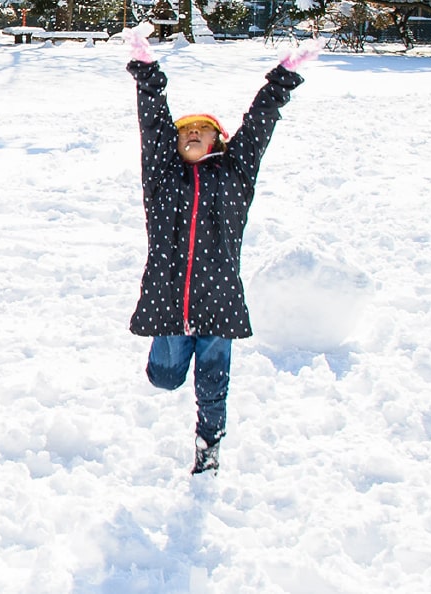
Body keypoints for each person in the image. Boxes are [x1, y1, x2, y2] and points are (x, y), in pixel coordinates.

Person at [121, 26, 319, 475]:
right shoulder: (162, 179)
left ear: (217, 141)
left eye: (201, 129)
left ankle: (208, 447)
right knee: (167, 377)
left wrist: (282, 78)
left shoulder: (235, 175)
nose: (191, 132)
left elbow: (259, 126)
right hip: (169, 300)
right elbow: (152, 124)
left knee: (213, 383)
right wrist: (147, 71)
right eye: (185, 130)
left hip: (219, 299)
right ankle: (169, 369)